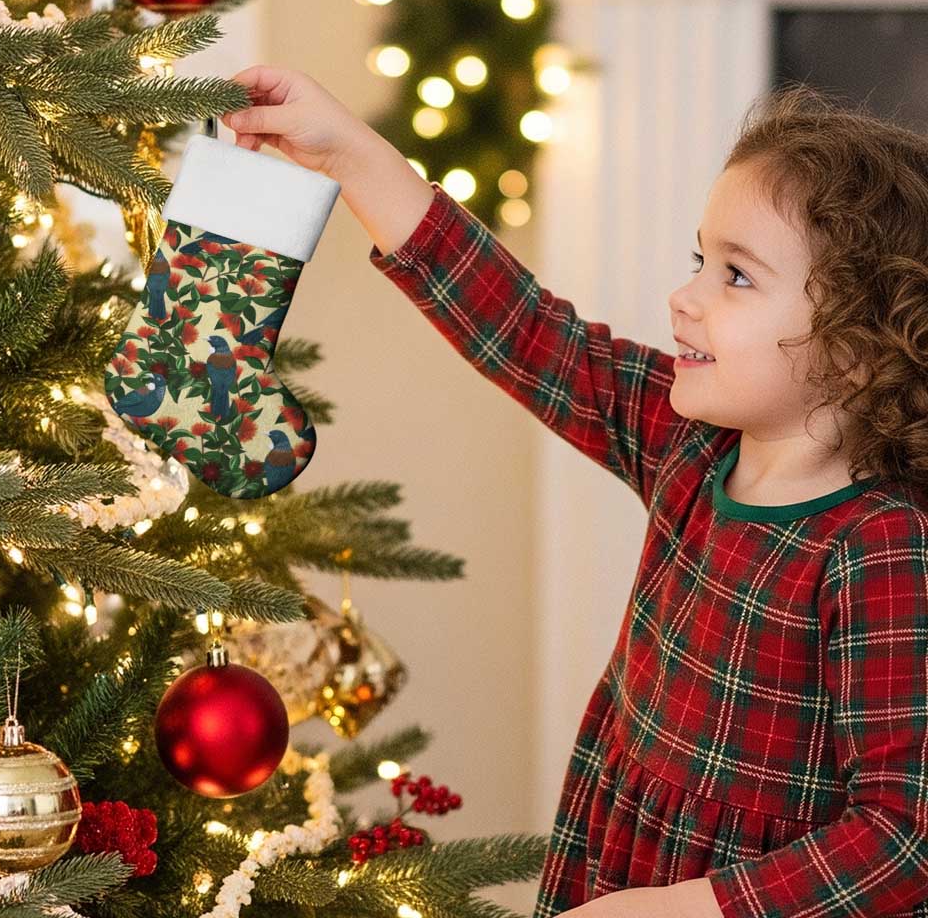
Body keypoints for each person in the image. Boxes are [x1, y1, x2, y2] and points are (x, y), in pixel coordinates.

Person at [221, 68, 928, 918]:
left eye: (736, 277)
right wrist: (352, 154)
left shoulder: (881, 547)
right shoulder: (692, 446)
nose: (685, 298)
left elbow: (903, 836)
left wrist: (677, 911)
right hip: (618, 861)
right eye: (700, 261)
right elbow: (527, 331)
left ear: (858, 348)